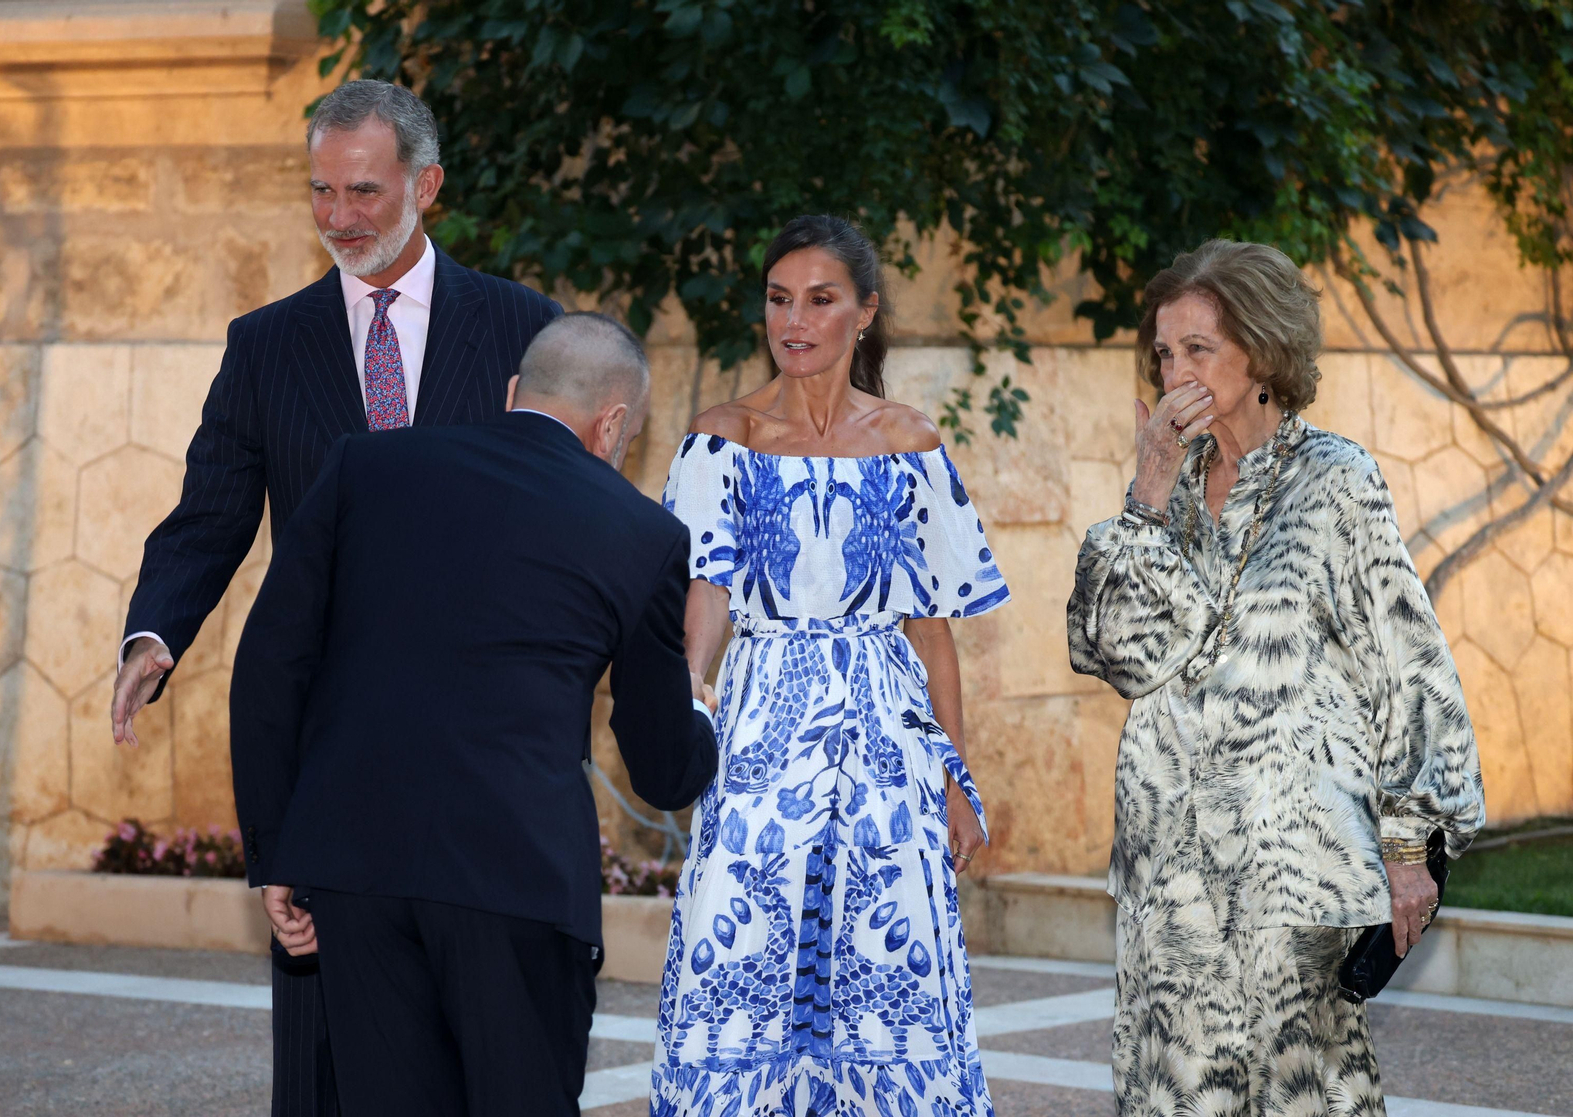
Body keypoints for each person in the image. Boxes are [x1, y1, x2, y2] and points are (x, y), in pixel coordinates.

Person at [107, 79, 560, 1116]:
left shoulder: (524, 330)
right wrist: (154, 629)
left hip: (481, 746)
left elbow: (567, 515)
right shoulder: (265, 344)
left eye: (362, 191)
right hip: (325, 744)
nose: (339, 217)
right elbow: (211, 511)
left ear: (426, 184)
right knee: (322, 1045)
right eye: (320, 190)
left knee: (482, 1037)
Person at [228, 312, 719, 1116]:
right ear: (615, 422)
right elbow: (664, 766)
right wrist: (700, 713)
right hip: (516, 879)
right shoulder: (643, 533)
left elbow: (272, 660)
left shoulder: (367, 466)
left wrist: (279, 845)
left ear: (515, 391)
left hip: (357, 871)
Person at [1067, 239, 1486, 1116]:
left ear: (1259, 353)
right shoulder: (1167, 486)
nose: (1174, 368)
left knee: (1304, 1096)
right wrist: (1144, 490)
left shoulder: (1337, 481)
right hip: (1169, 878)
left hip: (1295, 873)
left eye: (1196, 349)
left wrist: (1412, 846)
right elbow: (1120, 652)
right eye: (1163, 352)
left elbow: (1407, 663)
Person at [651, 215, 1010, 1116]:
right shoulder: (719, 436)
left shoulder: (911, 441)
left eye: (820, 300)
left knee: (890, 956)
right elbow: (707, 596)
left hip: (885, 733)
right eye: (779, 299)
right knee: (733, 947)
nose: (794, 321)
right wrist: (689, 709)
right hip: (759, 727)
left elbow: (933, 631)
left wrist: (956, 778)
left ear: (865, 313)